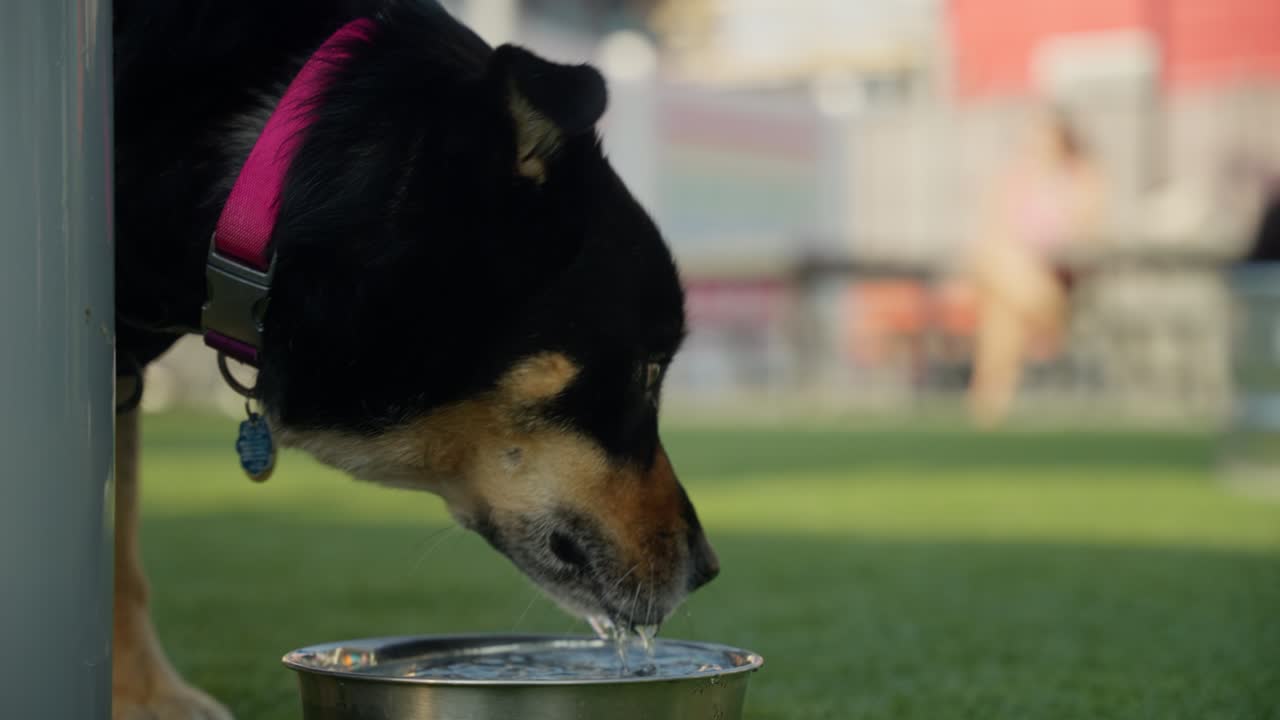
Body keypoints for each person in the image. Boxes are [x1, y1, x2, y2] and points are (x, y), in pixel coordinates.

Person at [966, 109, 1105, 426]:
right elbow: (993, 227)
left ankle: (987, 404)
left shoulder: (1082, 177)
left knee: (999, 284)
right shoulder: (1016, 178)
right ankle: (991, 407)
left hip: (1058, 286)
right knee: (1003, 310)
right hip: (1019, 283)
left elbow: (1086, 236)